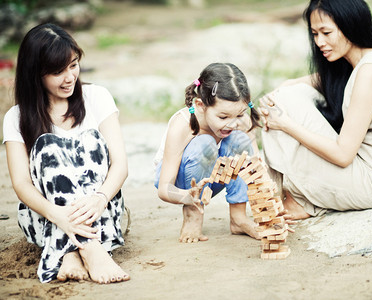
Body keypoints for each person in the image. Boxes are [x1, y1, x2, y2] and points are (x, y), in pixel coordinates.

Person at [259, 0, 372, 219]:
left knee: (284, 103)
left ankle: (292, 199)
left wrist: (286, 125)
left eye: (326, 32)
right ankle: (288, 197)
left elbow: (343, 155)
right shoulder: (354, 65)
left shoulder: (371, 71)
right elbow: (307, 83)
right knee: (285, 95)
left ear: (350, 25)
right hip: (361, 172)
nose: (319, 42)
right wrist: (281, 89)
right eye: (315, 34)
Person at [3, 23, 130, 284]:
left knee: (92, 141)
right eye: (57, 71)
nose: (70, 77)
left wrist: (99, 198)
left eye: (73, 65)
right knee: (48, 146)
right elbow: (21, 184)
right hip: (47, 216)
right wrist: (57, 214)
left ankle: (70, 253)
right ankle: (91, 250)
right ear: (35, 74)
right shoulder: (16, 118)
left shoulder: (97, 97)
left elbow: (120, 164)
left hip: (98, 211)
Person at [154, 63, 261, 243]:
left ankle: (238, 218)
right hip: (179, 184)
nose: (233, 123)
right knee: (205, 143)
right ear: (200, 105)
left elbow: (254, 164)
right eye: (223, 117)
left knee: (239, 139)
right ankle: (192, 217)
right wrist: (189, 197)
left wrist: (271, 206)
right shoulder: (183, 124)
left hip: (211, 180)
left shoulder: (239, 119)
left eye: (240, 114)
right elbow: (164, 188)